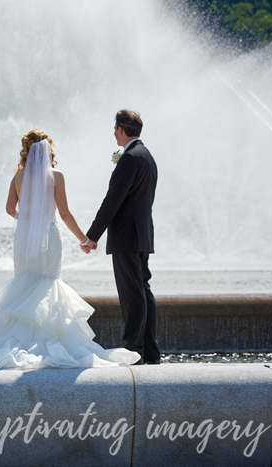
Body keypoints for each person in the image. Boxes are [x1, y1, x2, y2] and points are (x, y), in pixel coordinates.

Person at [0, 130, 140, 369]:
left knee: (25, 282)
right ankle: (44, 339)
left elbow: (10, 209)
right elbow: (65, 214)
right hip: (48, 236)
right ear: (48, 151)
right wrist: (84, 239)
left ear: (27, 150)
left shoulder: (18, 176)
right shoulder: (56, 176)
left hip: (24, 237)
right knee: (47, 282)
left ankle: (15, 337)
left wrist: (28, 220)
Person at [82, 110, 160, 365]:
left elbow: (113, 200)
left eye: (114, 128)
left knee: (132, 294)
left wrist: (92, 235)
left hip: (128, 235)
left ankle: (133, 350)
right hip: (141, 234)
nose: (113, 132)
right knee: (143, 290)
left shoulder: (129, 159)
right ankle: (150, 351)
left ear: (120, 129)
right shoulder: (147, 156)